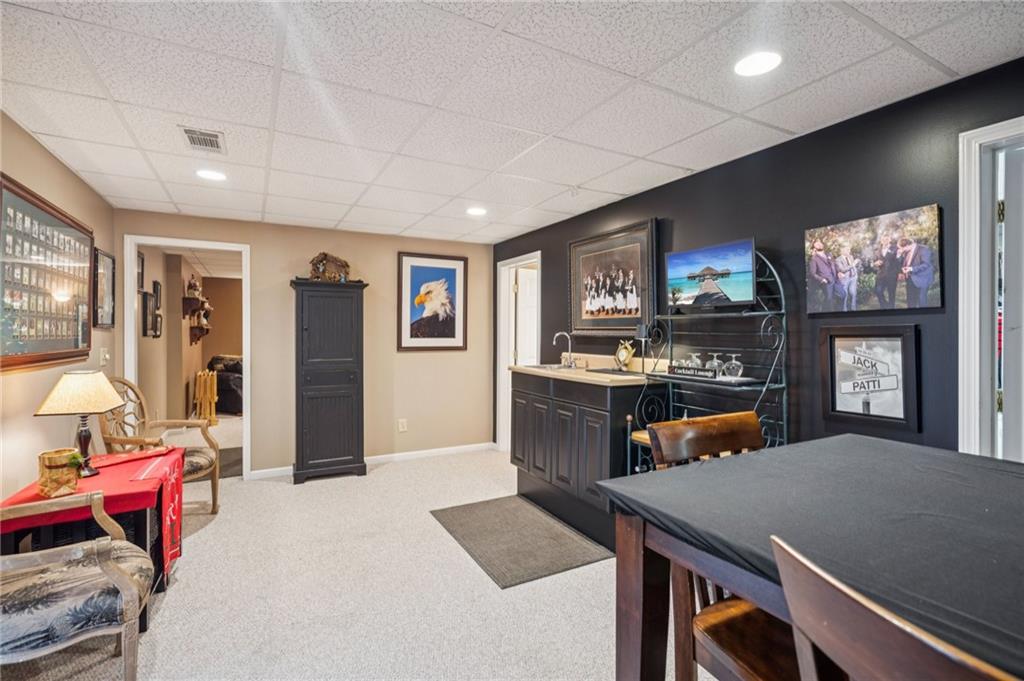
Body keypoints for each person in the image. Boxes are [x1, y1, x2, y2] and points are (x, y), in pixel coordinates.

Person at [899, 236, 935, 308]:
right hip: (910, 279)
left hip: (922, 279)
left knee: (921, 302)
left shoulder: (924, 249)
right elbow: (905, 262)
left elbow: (926, 265)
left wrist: (911, 269)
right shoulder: (907, 251)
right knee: (910, 303)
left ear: (909, 245)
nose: (902, 250)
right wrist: (904, 269)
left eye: (903, 248)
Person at [808, 239, 837, 313]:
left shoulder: (828, 255)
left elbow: (834, 264)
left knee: (841, 295)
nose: (819, 244)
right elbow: (812, 273)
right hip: (826, 281)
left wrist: (838, 272)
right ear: (814, 248)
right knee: (829, 299)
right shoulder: (814, 259)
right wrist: (821, 279)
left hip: (834, 278)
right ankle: (827, 315)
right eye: (817, 244)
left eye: (820, 242)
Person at [872, 231, 899, 309]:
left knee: (891, 294)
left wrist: (899, 273)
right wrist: (876, 263)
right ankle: (884, 306)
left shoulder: (895, 248)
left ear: (889, 240)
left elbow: (898, 261)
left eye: (887, 239)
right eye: (883, 239)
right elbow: (874, 261)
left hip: (891, 275)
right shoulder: (877, 250)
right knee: (878, 291)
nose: (885, 241)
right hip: (881, 275)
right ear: (881, 240)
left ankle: (891, 309)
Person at [834, 244, 861, 311]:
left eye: (849, 249)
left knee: (853, 293)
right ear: (842, 251)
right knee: (845, 295)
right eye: (847, 250)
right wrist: (853, 264)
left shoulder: (851, 256)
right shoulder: (838, 259)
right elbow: (842, 269)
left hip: (853, 277)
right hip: (845, 279)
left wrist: (857, 266)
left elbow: (855, 266)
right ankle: (844, 309)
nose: (849, 251)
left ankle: (853, 308)